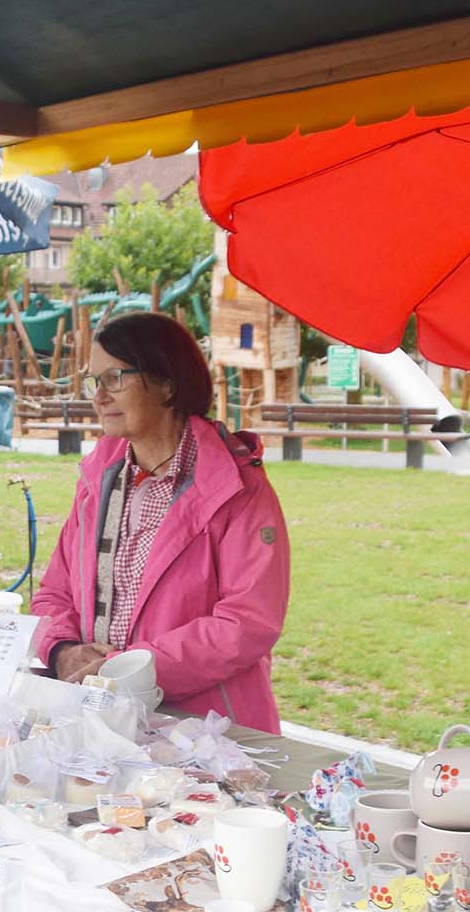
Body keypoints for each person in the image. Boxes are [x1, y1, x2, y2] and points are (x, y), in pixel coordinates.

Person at [30, 311, 291, 732]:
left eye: (115, 378)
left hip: (206, 730)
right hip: (100, 719)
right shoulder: (98, 480)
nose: (99, 397)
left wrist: (129, 670)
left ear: (167, 383)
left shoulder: (237, 489)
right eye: (95, 381)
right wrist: (61, 650)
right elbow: (54, 593)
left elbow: (246, 623)